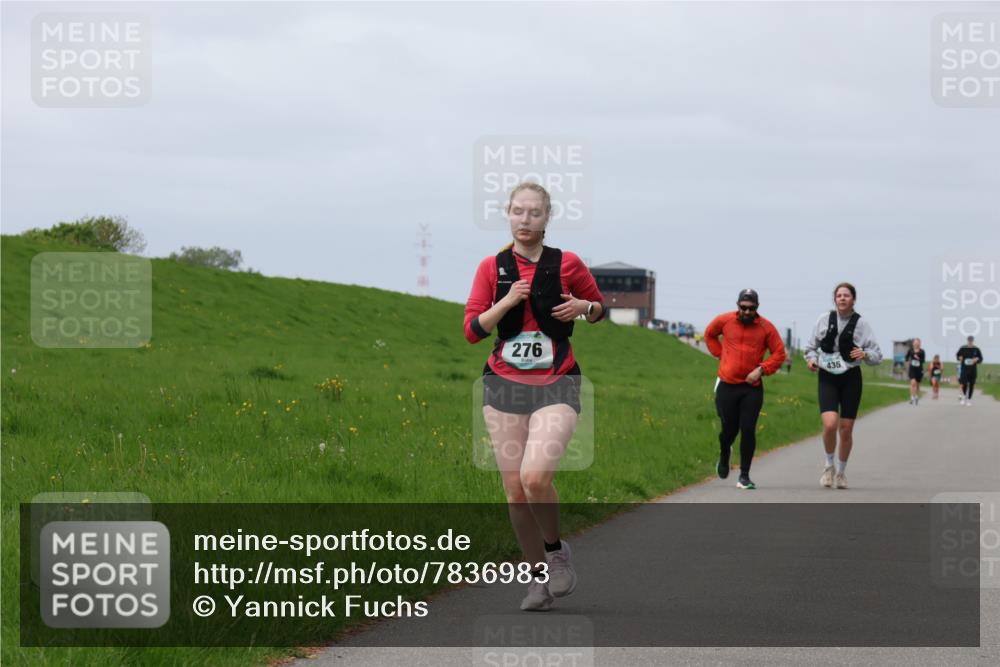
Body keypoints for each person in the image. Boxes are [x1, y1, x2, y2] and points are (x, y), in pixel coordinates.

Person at [464, 182, 605, 612]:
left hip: (557, 382)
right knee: (514, 490)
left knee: (536, 477)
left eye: (534, 213)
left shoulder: (568, 263)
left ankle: (556, 550)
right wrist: (505, 302)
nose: (525, 220)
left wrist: (582, 307)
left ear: (547, 218)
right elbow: (472, 330)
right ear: (507, 214)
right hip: (503, 386)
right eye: (518, 212)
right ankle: (537, 581)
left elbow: (598, 310)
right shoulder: (492, 267)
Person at [704, 289, 787, 490]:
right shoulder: (725, 320)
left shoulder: (766, 327)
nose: (747, 312)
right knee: (728, 431)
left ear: (757, 308)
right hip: (727, 385)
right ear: (737, 306)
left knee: (748, 429)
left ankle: (744, 476)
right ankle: (725, 454)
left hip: (751, 388)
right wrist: (720, 354)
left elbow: (779, 353)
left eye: (751, 308)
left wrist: (762, 369)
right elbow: (709, 334)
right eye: (743, 307)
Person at [804, 283, 883, 490]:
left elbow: (877, 355)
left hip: (851, 377)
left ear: (853, 299)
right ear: (834, 299)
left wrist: (865, 354)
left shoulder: (862, 324)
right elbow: (810, 348)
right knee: (830, 424)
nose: (842, 299)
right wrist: (811, 360)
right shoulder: (824, 320)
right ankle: (828, 466)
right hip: (828, 376)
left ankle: (841, 472)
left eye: (846, 295)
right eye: (838, 295)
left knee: (846, 429)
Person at [956, 335, 984, 406]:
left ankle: (969, 399)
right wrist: (960, 357)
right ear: (967, 340)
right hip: (964, 369)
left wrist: (976, 360)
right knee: (964, 383)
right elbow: (957, 355)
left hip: (973, 370)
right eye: (969, 340)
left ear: (973, 341)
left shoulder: (976, 349)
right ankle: (964, 397)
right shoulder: (963, 348)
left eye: (971, 340)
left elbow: (981, 359)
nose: (970, 341)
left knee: (971, 384)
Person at [905, 338, 926, 405]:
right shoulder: (910, 350)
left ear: (920, 343)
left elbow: (923, 361)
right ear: (913, 343)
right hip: (912, 369)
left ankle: (916, 396)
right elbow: (906, 358)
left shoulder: (922, 351)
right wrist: (908, 362)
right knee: (913, 383)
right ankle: (912, 397)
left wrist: (918, 358)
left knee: (917, 385)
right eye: (915, 342)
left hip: (919, 369)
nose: (916, 344)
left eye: (918, 342)